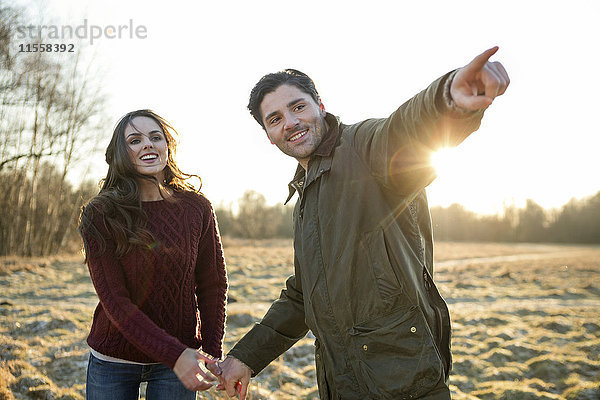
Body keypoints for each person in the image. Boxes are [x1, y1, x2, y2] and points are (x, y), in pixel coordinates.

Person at [215, 47, 509, 399]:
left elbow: (406, 132)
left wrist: (448, 100)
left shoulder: (362, 147)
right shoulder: (306, 196)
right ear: (269, 134)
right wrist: (245, 358)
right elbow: (302, 296)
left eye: (298, 107)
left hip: (404, 380)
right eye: (275, 119)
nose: (290, 122)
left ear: (319, 105)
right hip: (343, 384)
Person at [78, 109, 228, 399]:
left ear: (166, 146)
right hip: (115, 359)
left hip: (180, 361)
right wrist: (176, 354)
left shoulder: (197, 208)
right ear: (122, 154)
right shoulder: (100, 213)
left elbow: (212, 284)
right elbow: (116, 302)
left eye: (155, 137)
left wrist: (211, 351)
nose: (147, 144)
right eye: (134, 140)